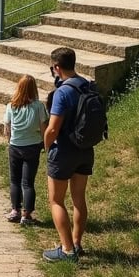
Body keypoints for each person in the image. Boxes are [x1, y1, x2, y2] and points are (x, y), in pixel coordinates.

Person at [42, 47, 93, 263]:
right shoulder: (87, 85)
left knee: (56, 201)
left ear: (56, 67)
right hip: (85, 149)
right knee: (79, 199)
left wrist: (46, 147)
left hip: (64, 151)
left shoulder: (62, 92)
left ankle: (67, 250)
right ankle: (77, 243)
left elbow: (53, 129)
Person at [3, 75, 48, 226]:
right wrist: (45, 144)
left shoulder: (11, 106)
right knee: (28, 183)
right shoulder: (38, 106)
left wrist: (10, 142)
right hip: (33, 146)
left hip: (15, 146)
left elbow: (7, 128)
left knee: (14, 180)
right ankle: (26, 215)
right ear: (34, 89)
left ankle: (15, 210)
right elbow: (43, 128)